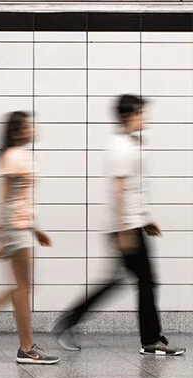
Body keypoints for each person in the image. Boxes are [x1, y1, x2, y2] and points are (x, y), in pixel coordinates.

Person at [52, 95, 185, 356]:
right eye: (141, 113)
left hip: (131, 224)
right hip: (125, 227)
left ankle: (70, 321)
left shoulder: (131, 144)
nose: (145, 117)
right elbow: (119, 190)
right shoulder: (121, 147)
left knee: (121, 281)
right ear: (130, 115)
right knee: (146, 281)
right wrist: (126, 229)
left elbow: (135, 189)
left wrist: (145, 219)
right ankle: (150, 340)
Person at [0, 111, 59, 364]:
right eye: (29, 125)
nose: (34, 128)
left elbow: (21, 199)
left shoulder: (19, 156)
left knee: (21, 288)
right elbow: (5, 198)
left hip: (20, 228)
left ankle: (25, 346)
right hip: (15, 230)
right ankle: (26, 348)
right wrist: (1, 235)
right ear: (17, 131)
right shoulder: (14, 157)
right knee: (23, 288)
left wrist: (35, 229)